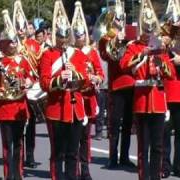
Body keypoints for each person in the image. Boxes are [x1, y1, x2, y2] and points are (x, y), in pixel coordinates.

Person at [120, 1, 174, 179]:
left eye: (151, 27)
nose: (149, 31)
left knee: (157, 146)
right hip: (142, 101)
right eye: (146, 27)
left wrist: (162, 65)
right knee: (143, 147)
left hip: (158, 101)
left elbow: (170, 73)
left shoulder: (160, 47)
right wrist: (141, 55)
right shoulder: (133, 46)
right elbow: (124, 64)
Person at [39, 1, 88, 179]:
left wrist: (75, 74)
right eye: (60, 35)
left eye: (66, 35)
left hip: (75, 109)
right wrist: (60, 78)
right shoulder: (47, 55)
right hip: (57, 109)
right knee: (58, 153)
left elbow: (87, 81)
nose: (63, 39)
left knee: (73, 153)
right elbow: (44, 83)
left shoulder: (79, 55)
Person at [0, 9, 33, 179]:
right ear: (4, 44)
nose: (14, 44)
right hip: (6, 108)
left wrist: (28, 82)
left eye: (15, 41)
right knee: (7, 145)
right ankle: (9, 175)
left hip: (20, 106)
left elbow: (31, 76)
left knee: (19, 143)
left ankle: (18, 174)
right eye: (10, 42)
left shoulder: (23, 59)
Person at [97, 0, 135, 169]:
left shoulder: (131, 35)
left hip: (132, 84)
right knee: (114, 123)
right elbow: (105, 55)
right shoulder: (106, 38)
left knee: (128, 123)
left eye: (122, 19)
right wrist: (116, 41)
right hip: (116, 85)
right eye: (117, 19)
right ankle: (113, 157)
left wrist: (128, 41)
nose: (120, 22)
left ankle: (125, 156)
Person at [72, 2, 104, 180]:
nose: (81, 37)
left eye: (83, 33)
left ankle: (85, 169)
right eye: (77, 34)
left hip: (88, 98)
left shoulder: (91, 52)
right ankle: (73, 168)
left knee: (85, 137)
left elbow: (100, 73)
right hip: (75, 98)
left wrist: (97, 78)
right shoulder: (69, 52)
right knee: (74, 137)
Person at [12, 0, 43, 168]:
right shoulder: (11, 44)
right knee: (16, 126)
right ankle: (18, 155)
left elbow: (39, 67)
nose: (21, 29)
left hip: (31, 89)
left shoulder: (34, 45)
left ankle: (29, 155)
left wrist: (34, 82)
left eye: (23, 25)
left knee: (30, 126)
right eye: (18, 26)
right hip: (16, 89)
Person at [161, 1, 180, 178]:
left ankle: (178, 166)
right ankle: (164, 166)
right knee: (165, 133)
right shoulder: (165, 41)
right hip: (166, 92)